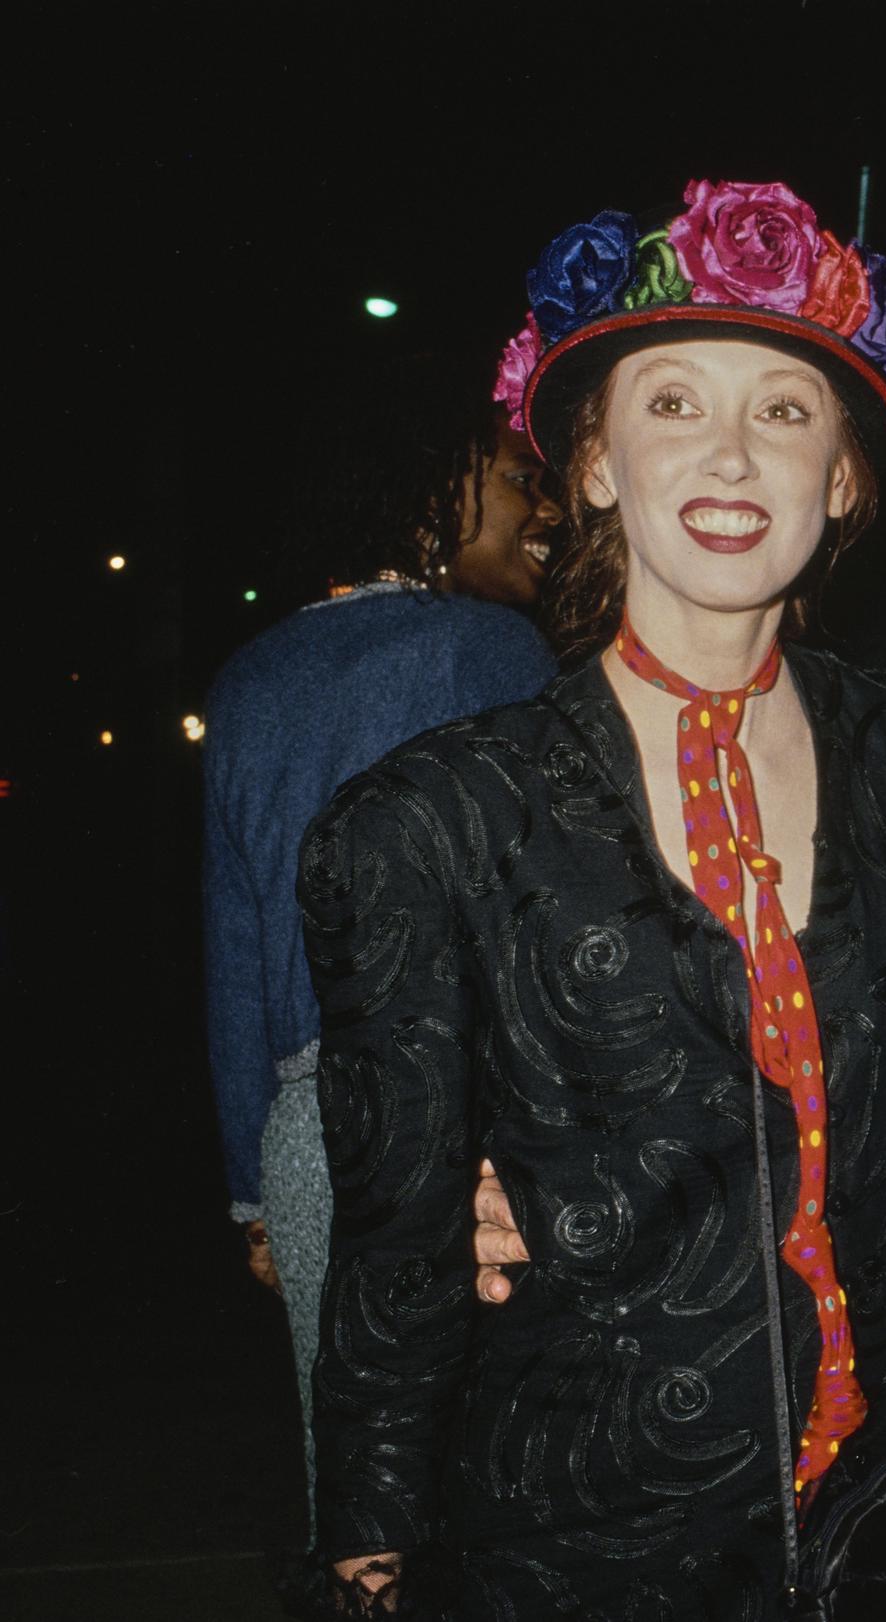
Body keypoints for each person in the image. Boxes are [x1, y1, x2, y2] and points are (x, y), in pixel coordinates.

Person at [299, 179, 886, 1619]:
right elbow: (397, 1254)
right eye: (672, 404)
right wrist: (369, 1538)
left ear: (844, 476)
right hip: (582, 1547)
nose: (730, 450)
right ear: (591, 462)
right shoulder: (428, 825)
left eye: (786, 409)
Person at [202, 346, 560, 1546]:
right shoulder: (496, 657)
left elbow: (238, 950)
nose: (541, 506)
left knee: (355, 1489)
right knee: (504, 1484)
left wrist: (258, 1195)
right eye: (515, 477)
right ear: (434, 495)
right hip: (478, 1131)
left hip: (308, 1140)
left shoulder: (250, 680)